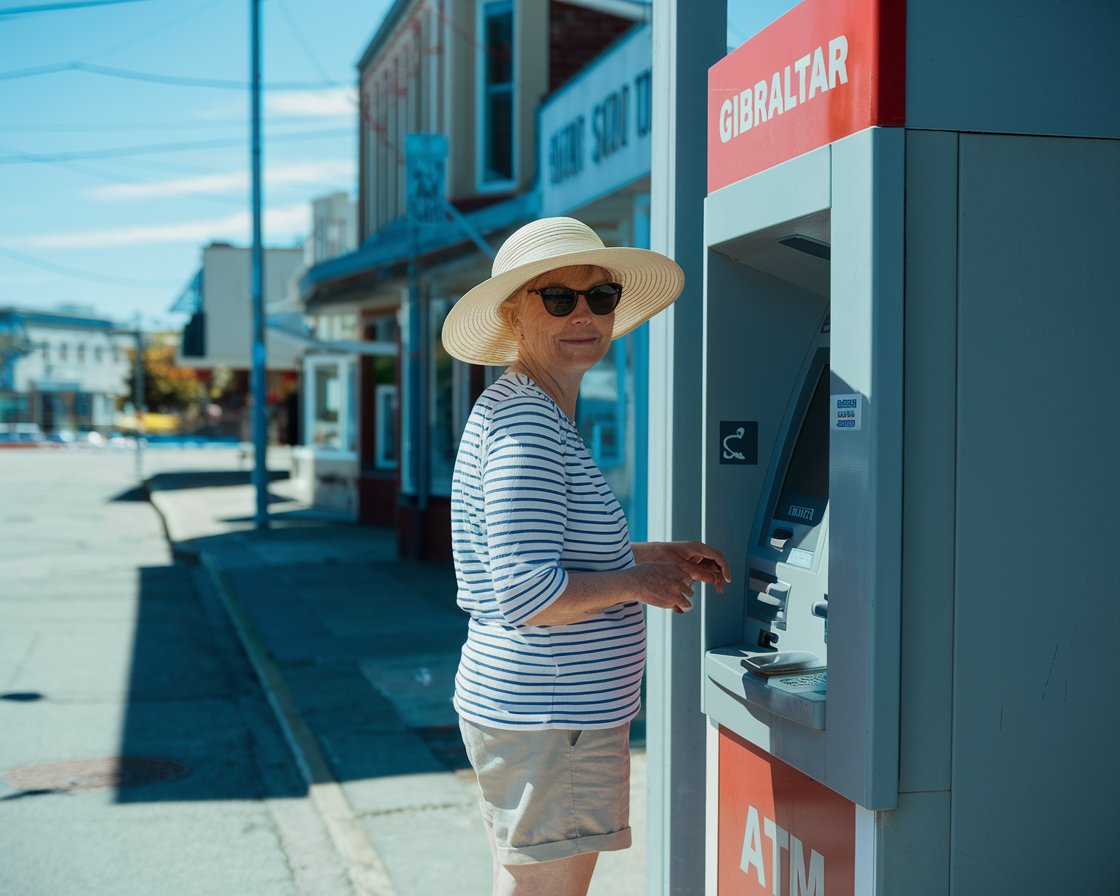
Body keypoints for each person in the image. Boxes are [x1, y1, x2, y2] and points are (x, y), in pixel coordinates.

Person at [440, 217, 730, 896]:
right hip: (551, 719)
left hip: (538, 715)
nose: (585, 316)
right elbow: (527, 594)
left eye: (600, 298)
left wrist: (655, 554)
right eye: (559, 298)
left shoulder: (527, 409)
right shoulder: (528, 425)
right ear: (516, 313)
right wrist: (638, 582)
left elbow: (548, 551)